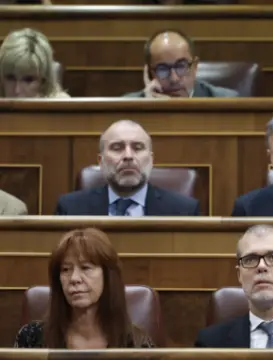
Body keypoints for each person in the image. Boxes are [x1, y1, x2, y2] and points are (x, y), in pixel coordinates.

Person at [14, 228, 154, 348]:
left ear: (108, 276)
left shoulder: (135, 343)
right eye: (66, 269)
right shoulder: (31, 339)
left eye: (86, 268)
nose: (74, 278)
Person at [55, 120, 200, 216]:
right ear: (101, 161)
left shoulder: (183, 210)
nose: (128, 156)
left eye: (138, 148)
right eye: (117, 148)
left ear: (151, 159)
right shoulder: (70, 209)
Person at [123, 29, 238, 98]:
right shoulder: (127, 107)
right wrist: (151, 110)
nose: (174, 78)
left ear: (195, 66)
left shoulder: (228, 102)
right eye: (163, 69)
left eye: (181, 66)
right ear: (150, 73)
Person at [0, 28, 69, 98]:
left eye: (28, 80)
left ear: (43, 82)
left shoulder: (61, 104)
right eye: (10, 78)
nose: (17, 90)